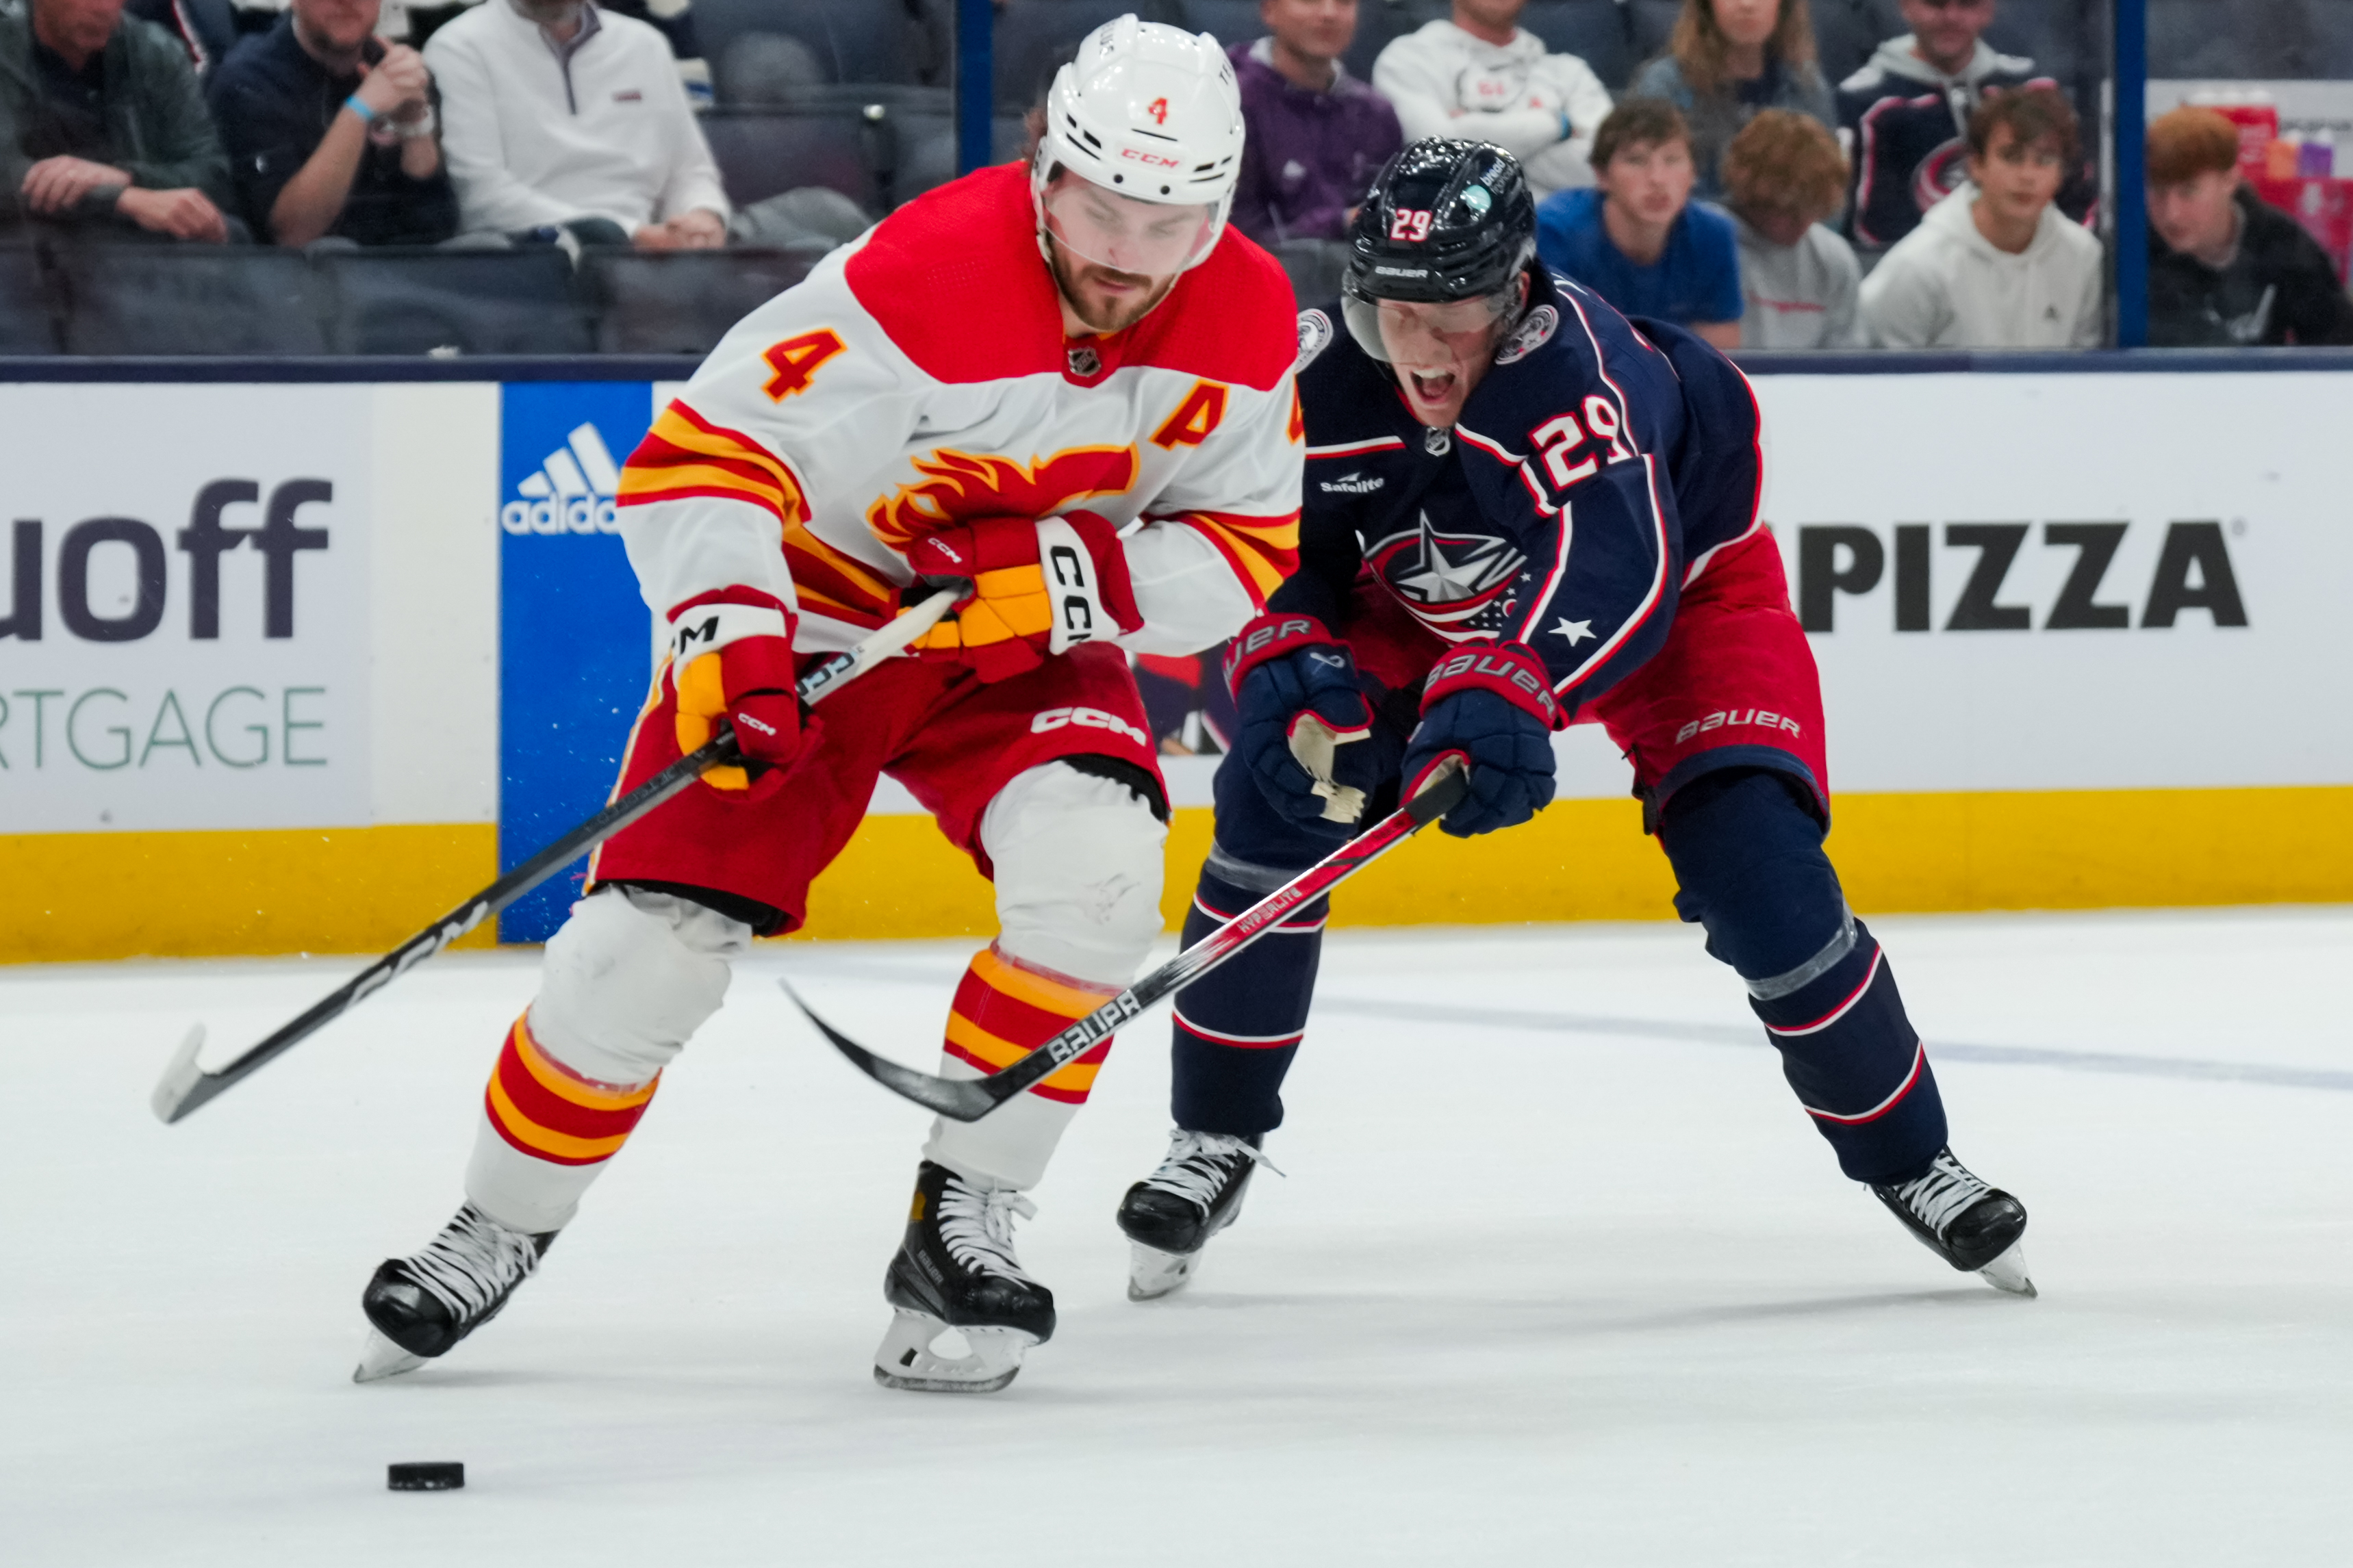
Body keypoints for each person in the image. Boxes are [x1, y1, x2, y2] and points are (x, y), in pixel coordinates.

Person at [351, 18, 1301, 1397]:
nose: (1124, 253)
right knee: (645, 951)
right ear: (1043, 168)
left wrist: (1078, 579)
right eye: (1099, 208)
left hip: (1026, 636)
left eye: (1168, 223)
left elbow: (1244, 551)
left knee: (1094, 887)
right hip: (822, 608)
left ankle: (959, 1227)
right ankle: (496, 1220)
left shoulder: (1246, 315)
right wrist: (729, 643)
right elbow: (699, 458)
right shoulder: (915, 278)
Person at [1112, 136, 2035, 1310]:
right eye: (1397, 313)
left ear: (1514, 294)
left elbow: (1615, 563)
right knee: (1272, 795)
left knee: (1756, 865)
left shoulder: (1581, 371)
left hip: (1682, 600)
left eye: (1454, 315)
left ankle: (1916, 1159)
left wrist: (1503, 684)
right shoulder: (1311, 376)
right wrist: (1284, 643)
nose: (1424, 350)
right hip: (1413, 610)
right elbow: (1252, 529)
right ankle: (1215, 1137)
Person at [423, 0, 726, 246]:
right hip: (531, 253)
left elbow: (690, 171)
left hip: (649, 253)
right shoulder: (459, 46)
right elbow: (482, 198)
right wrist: (634, 235)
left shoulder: (645, 44)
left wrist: (701, 217)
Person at [1859, 86, 2100, 349]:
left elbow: (2082, 376)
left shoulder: (2082, 255)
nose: (2028, 176)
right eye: (2012, 157)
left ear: (2061, 173)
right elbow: (1877, 382)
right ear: (1976, 165)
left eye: (2044, 160)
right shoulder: (1917, 266)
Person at [207, 0, 459, 247]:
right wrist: (359, 111)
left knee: (480, 246)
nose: (346, 2)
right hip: (304, 276)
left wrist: (415, 127)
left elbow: (439, 225)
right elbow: (293, 235)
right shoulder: (249, 81)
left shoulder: (395, 66)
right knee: (334, 248)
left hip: (407, 269)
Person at [1835, 0, 2067, 254]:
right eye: (1936, 4)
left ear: (1988, 10)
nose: (1951, 17)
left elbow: (2075, 201)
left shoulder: (2032, 90)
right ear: (1906, 6)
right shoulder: (1864, 103)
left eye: (1967, 4)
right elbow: (1870, 233)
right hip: (1917, 280)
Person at [0, 0, 234, 242]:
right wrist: (120, 198)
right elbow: (7, 174)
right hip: (33, 255)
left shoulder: (157, 53)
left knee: (229, 231)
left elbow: (211, 174)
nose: (103, 7)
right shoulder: (8, 52)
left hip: (146, 257)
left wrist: (126, 176)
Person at [1534, 99, 1742, 350]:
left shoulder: (1714, 235)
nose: (1658, 179)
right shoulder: (1555, 232)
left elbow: (1720, 356)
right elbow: (1551, 353)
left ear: (1693, 174)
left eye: (1672, 159)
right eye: (1636, 161)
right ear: (1602, 175)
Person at [2146, 105, 2353, 348]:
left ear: (2230, 180)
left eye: (2189, 192)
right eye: (2158, 193)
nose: (2172, 214)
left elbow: (2338, 347)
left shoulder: (2286, 247)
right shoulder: (2134, 253)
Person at [1373, 0, 1612, 198]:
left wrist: (1472, 136)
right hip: (1454, 245)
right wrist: (1556, 125)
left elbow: (1609, 169)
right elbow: (1443, 156)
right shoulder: (1409, 59)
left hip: (1559, 242)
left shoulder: (1570, 73)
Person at [1227, 0, 1401, 247]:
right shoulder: (1231, 99)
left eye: (1344, 2)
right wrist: (1339, 223)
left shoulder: (1375, 112)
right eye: (1310, 1)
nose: (1329, 13)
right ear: (1269, 10)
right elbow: (1233, 235)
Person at [1629, 0, 1834, 203]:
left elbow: (1828, 194)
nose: (1747, 4)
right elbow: (1644, 187)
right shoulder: (1664, 86)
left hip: (1788, 231)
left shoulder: (1807, 88)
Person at [1722, 107, 1861, 348]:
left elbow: (1846, 365)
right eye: (1789, 212)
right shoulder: (1706, 244)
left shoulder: (1833, 258)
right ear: (1752, 194)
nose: (1803, 224)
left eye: (1814, 211)